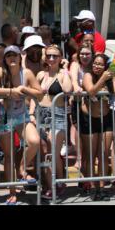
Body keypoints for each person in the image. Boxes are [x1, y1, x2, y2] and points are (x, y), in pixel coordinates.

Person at [0, 45, 43, 204]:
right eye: (8, 55)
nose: (12, 58)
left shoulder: (27, 73)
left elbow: (39, 93)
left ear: (20, 57)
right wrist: (10, 92)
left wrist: (24, 89)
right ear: (5, 58)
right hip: (3, 117)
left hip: (21, 115)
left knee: (34, 141)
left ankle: (22, 168)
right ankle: (12, 193)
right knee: (9, 155)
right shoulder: (1, 71)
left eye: (15, 55)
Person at [34, 45, 73, 200]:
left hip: (58, 114)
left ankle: (57, 183)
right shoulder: (40, 74)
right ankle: (51, 185)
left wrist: (65, 69)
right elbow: (34, 97)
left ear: (60, 58)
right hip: (41, 114)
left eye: (55, 56)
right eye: (49, 55)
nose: (51, 59)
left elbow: (68, 90)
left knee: (53, 152)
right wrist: (31, 113)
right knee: (45, 152)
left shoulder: (63, 74)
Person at [81, 53, 115, 200]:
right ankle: (91, 186)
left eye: (101, 64)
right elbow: (91, 91)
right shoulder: (87, 75)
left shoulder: (109, 77)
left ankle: (102, 187)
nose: (97, 66)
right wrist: (103, 78)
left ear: (105, 66)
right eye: (95, 63)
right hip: (89, 119)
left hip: (106, 118)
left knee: (103, 154)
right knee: (91, 155)